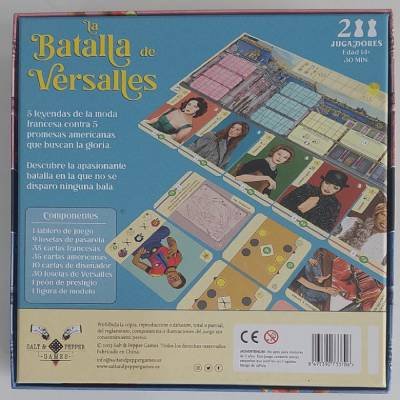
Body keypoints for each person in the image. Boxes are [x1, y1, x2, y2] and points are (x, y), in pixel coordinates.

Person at [280, 169, 349, 232]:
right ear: (322, 181)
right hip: (284, 220)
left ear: (339, 190)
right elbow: (282, 204)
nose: (328, 188)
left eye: (335, 187)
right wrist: (300, 209)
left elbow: (326, 229)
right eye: (327, 183)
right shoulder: (306, 188)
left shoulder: (335, 204)